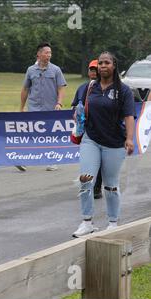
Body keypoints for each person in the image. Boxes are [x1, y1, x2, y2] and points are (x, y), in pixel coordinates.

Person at [72, 52, 135, 237]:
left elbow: (129, 116)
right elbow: (78, 108)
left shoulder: (123, 91)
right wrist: (78, 115)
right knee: (86, 180)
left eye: (106, 63)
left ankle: (113, 223)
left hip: (114, 144)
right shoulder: (89, 87)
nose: (102, 66)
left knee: (111, 185)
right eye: (100, 63)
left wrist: (129, 139)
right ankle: (86, 222)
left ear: (114, 65)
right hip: (90, 139)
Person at [20, 42, 67, 171]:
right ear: (39, 54)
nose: (49, 55)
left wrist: (59, 103)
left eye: (50, 53)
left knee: (50, 135)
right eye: (46, 53)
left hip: (50, 108)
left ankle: (52, 160)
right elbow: (25, 89)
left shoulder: (56, 70)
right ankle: (22, 160)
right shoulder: (31, 70)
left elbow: (61, 88)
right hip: (34, 108)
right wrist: (21, 107)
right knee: (30, 135)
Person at [72, 59, 103, 200]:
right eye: (91, 70)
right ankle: (89, 185)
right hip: (86, 130)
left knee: (101, 161)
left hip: (103, 131)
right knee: (88, 160)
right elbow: (75, 106)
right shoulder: (82, 88)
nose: (93, 72)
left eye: (95, 70)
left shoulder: (106, 88)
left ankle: (97, 187)